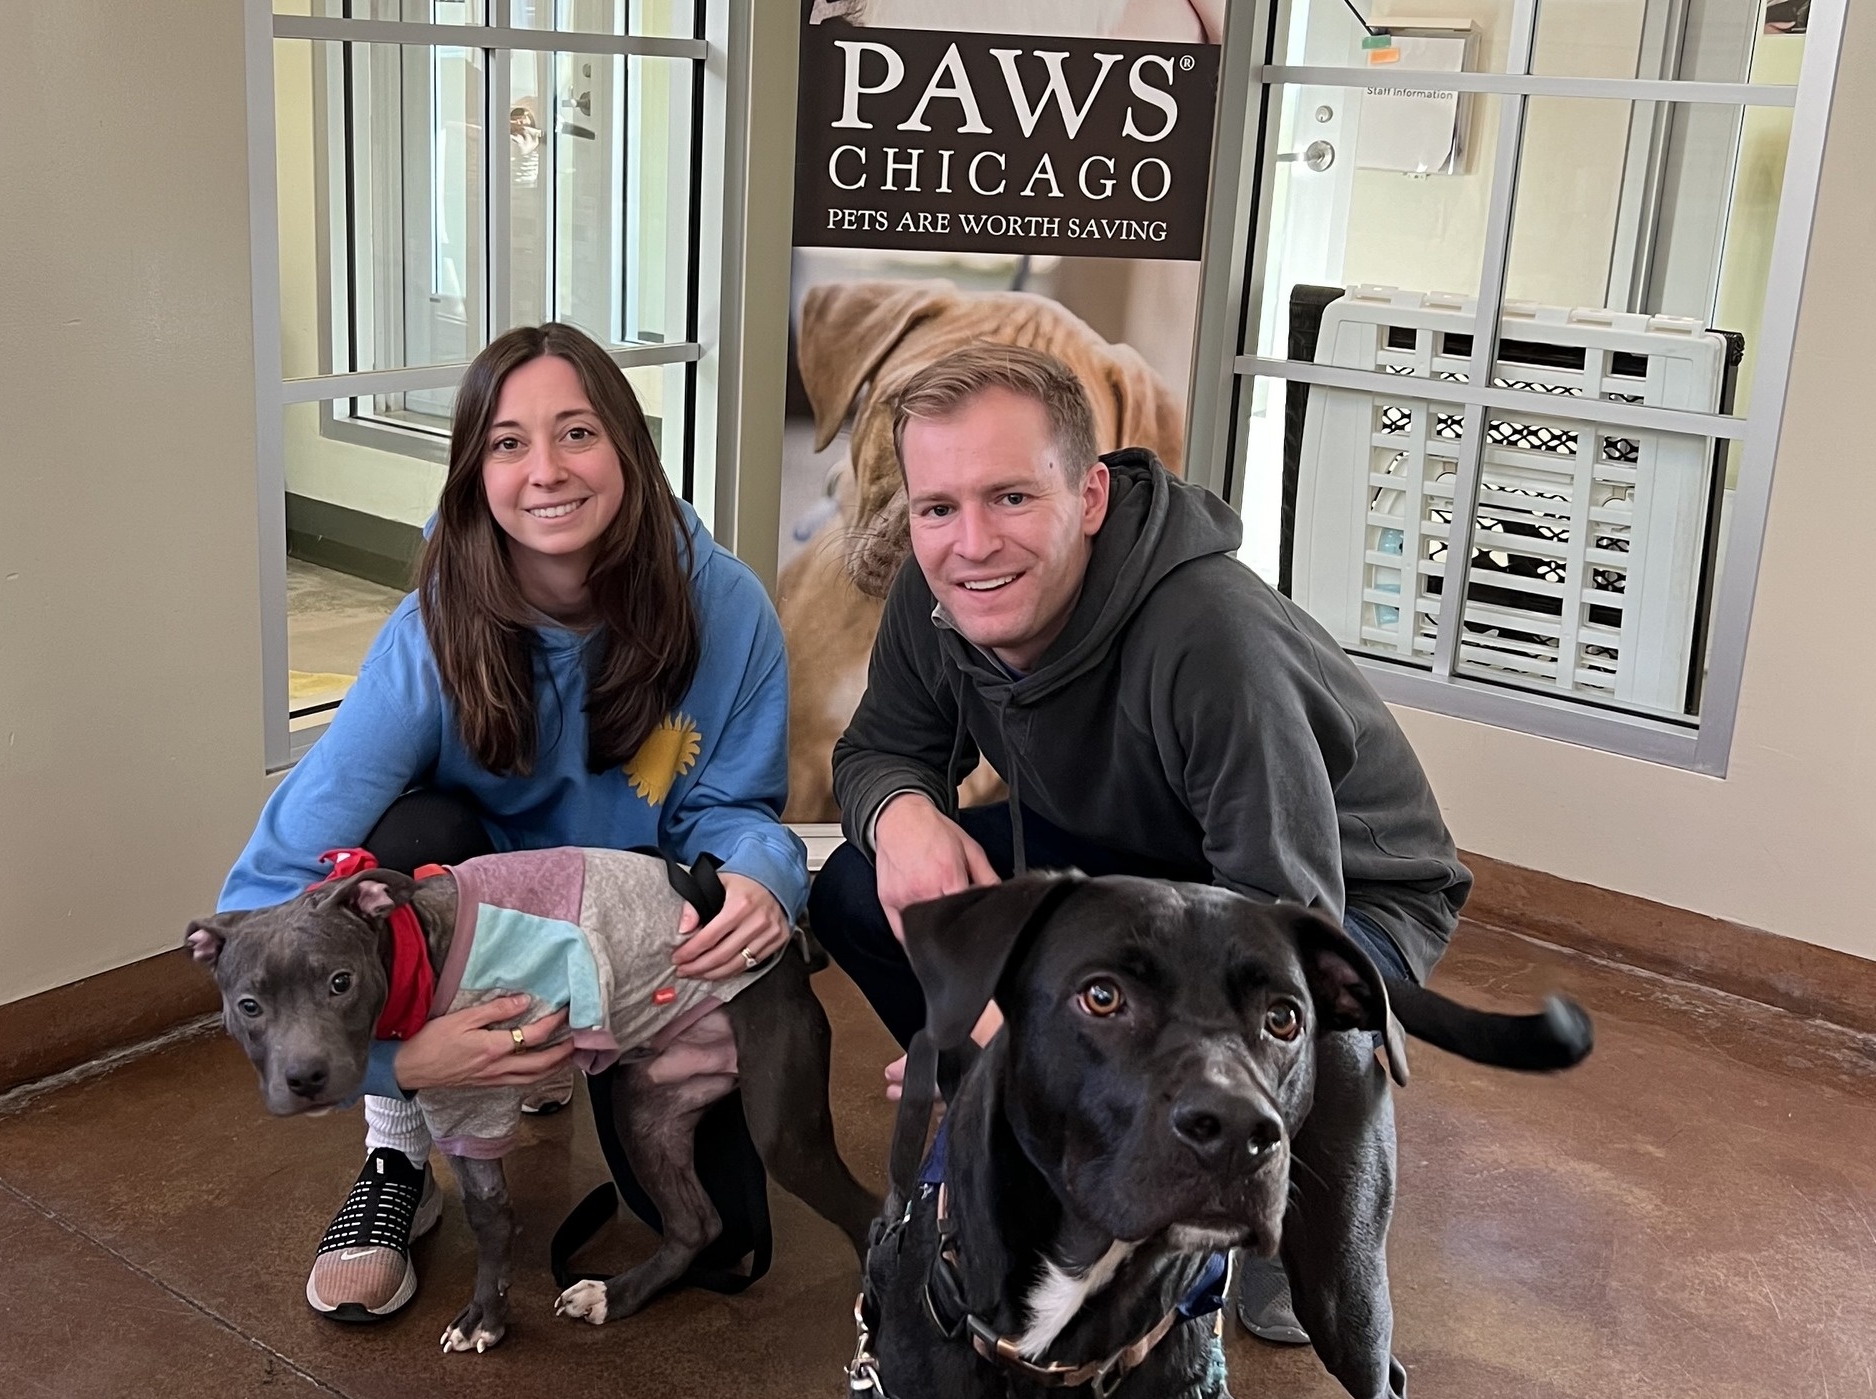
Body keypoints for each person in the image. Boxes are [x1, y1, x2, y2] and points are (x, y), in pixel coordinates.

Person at [806, 343, 1471, 1345]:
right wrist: (902, 814)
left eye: (1010, 498)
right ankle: (1035, 1113)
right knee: (859, 886)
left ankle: (1280, 1182)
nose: (969, 542)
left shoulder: (1212, 642)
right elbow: (880, 748)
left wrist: (1031, 1027)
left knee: (1297, 1037)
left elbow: (1277, 929)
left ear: (1088, 495)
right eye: (937, 507)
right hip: (1119, 849)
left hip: (1332, 889)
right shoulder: (933, 590)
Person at [221, 323, 805, 1321]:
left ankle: (547, 1051)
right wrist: (399, 1060)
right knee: (398, 845)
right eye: (506, 443)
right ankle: (396, 1150)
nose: (545, 471)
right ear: (472, 471)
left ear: (627, 445)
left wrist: (762, 874)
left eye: (576, 432)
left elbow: (728, 805)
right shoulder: (432, 634)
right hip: (476, 926)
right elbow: (267, 896)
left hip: (627, 931)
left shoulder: (725, 605)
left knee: (727, 1246)